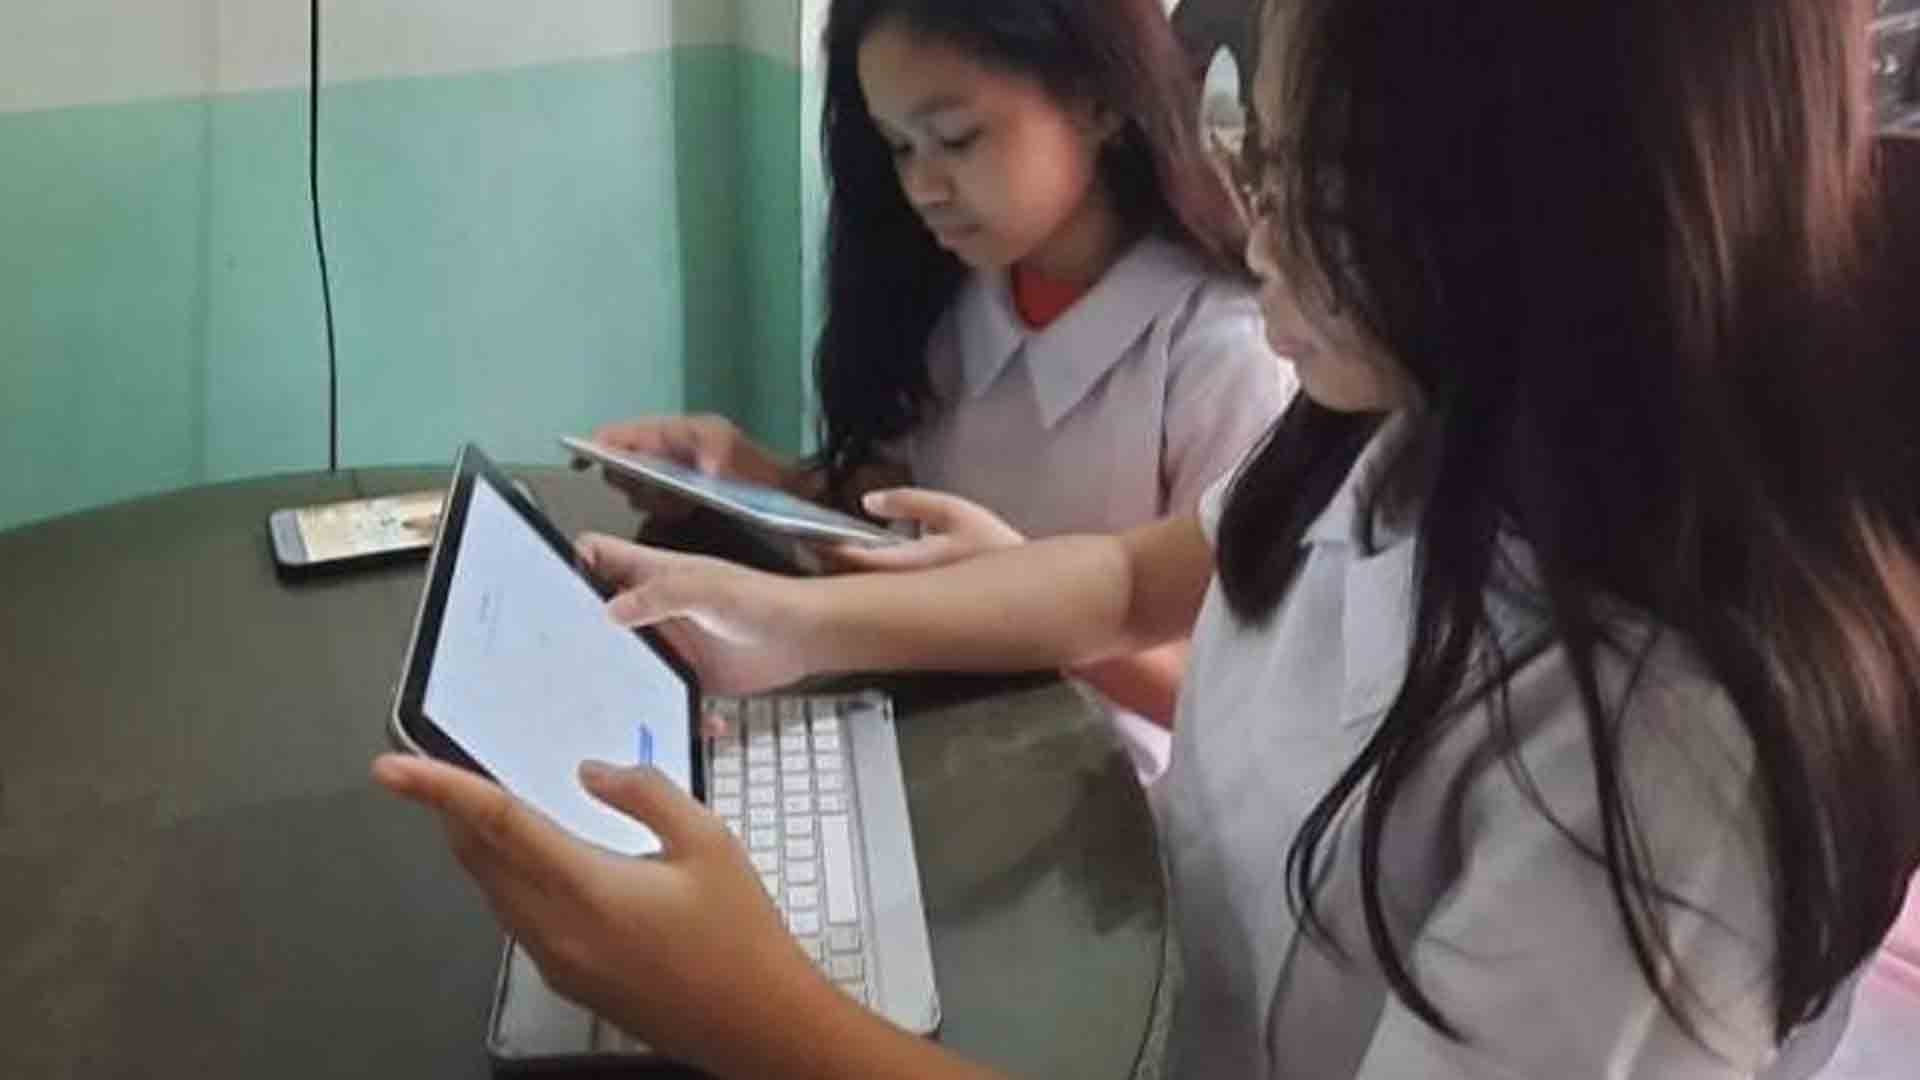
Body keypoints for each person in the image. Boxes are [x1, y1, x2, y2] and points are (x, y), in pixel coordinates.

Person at [377, 0, 1920, 1075]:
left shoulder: (1664, 759)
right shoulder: (1393, 426)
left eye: (1314, 185)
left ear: (1559, 206)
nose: (1254, 230)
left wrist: (754, 1013)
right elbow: (1127, 577)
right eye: (1255, 157)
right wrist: (786, 618)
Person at [587, 0, 1296, 771]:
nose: (923, 187)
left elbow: (1228, 703)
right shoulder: (952, 287)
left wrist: (1013, 597)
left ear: (1096, 100)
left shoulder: (1223, 353)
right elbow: (898, 517)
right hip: (932, 719)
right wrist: (750, 477)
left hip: (1101, 783)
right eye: (899, 147)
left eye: (957, 139)